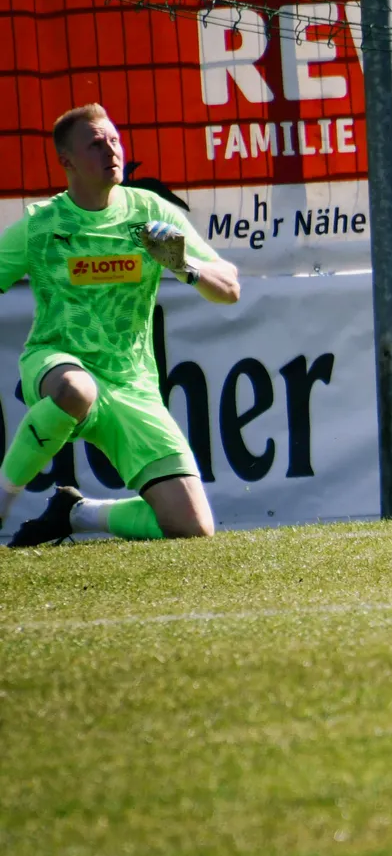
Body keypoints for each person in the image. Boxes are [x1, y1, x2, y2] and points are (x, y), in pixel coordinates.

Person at [0, 104, 241, 547]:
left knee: (191, 527)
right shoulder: (42, 224)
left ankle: (77, 514)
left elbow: (229, 288)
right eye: (96, 143)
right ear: (67, 161)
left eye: (114, 140)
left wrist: (183, 264)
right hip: (56, 362)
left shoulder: (150, 211)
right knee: (77, 389)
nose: (111, 150)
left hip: (132, 384)